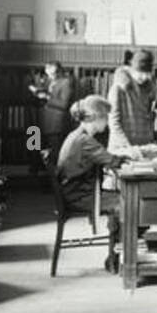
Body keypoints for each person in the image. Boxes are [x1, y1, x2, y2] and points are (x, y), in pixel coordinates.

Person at [57, 95, 136, 273]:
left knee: (126, 199)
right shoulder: (84, 140)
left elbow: (106, 159)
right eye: (106, 117)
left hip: (76, 192)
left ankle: (116, 255)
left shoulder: (77, 135)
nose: (108, 122)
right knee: (132, 205)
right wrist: (129, 159)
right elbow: (112, 161)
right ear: (97, 117)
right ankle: (119, 258)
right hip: (80, 196)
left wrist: (119, 159)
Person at [107, 48, 157, 153]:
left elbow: (149, 118)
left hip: (143, 147)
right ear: (131, 70)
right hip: (122, 148)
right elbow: (114, 123)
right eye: (140, 72)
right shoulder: (118, 88)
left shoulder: (148, 88)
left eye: (146, 74)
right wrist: (128, 148)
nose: (143, 77)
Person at [36, 61, 76, 164]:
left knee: (56, 153)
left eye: (53, 74)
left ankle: (57, 176)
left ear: (59, 72)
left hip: (57, 124)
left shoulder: (66, 83)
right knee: (42, 150)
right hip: (46, 122)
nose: (50, 77)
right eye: (48, 74)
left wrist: (47, 97)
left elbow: (64, 104)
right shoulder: (50, 82)